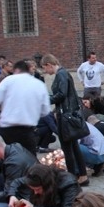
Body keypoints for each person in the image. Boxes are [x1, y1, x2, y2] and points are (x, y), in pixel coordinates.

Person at [0, 60, 51, 157]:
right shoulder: (39, 84)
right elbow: (45, 111)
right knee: (31, 160)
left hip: (7, 128)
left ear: (17, 70)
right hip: (27, 130)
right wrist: (33, 112)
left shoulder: (10, 80)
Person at [41, 54, 89, 187]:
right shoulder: (63, 73)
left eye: (45, 68)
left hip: (66, 116)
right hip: (67, 114)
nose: (46, 71)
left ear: (49, 64)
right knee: (73, 147)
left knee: (68, 148)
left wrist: (46, 100)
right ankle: (82, 175)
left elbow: (61, 94)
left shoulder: (61, 74)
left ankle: (72, 178)